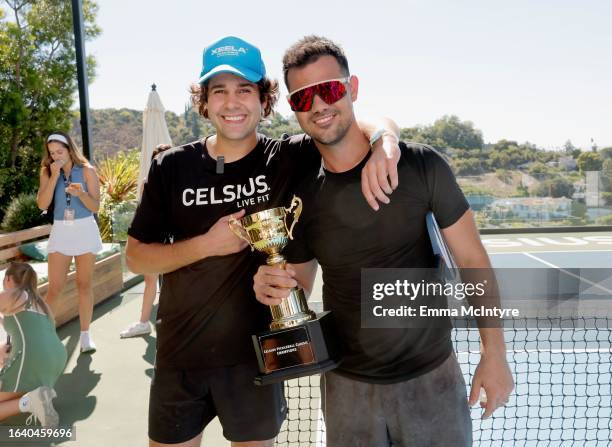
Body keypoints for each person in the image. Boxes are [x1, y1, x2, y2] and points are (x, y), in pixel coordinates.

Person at [126, 35, 401, 447]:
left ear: (263, 99)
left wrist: (387, 141)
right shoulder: (171, 166)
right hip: (179, 359)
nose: (232, 103)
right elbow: (136, 259)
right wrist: (207, 244)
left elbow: (357, 122)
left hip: (258, 358)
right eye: (219, 91)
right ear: (204, 100)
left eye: (244, 90)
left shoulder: (288, 157)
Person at [253, 35, 515, 446]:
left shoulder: (422, 165)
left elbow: (471, 259)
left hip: (432, 383)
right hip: (346, 390)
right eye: (304, 98)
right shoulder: (300, 193)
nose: (320, 105)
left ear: (352, 88)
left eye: (330, 89)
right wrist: (276, 289)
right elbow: (300, 283)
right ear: (293, 108)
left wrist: (494, 354)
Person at [36, 131, 102, 354]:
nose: (56, 156)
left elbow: (95, 207)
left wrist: (81, 194)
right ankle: (43, 336)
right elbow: (42, 203)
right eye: (52, 153)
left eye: (60, 152)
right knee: (54, 288)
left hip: (84, 228)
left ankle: (85, 335)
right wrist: (54, 176)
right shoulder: (47, 172)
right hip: (61, 231)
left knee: (84, 284)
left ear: (69, 149)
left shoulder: (87, 171)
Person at [0, 262, 67, 427]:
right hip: (55, 360)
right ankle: (36, 398)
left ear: (8, 278)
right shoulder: (40, 303)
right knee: (12, 392)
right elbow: (26, 329)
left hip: (32, 359)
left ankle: (30, 402)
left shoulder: (12, 294)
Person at [120, 144, 172, 339]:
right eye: (157, 158)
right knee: (150, 280)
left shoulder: (181, 181)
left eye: (165, 157)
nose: (161, 161)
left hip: (175, 238)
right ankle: (143, 323)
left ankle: (173, 323)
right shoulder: (146, 183)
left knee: (173, 281)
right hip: (152, 237)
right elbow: (143, 212)